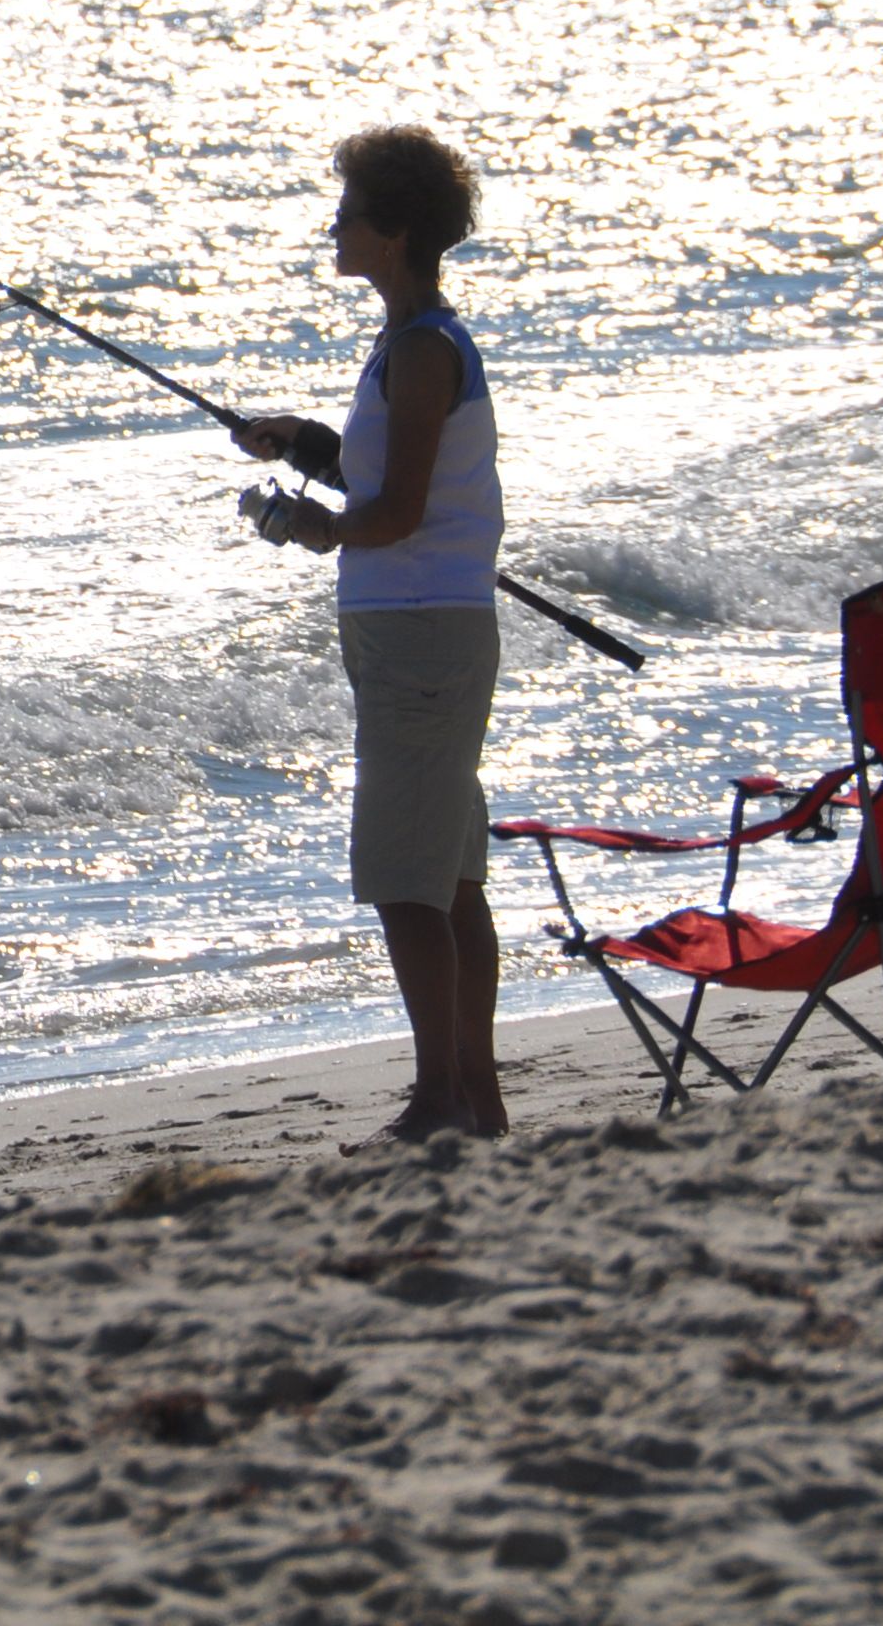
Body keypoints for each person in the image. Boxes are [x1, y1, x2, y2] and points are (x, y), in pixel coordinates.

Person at [234, 126, 507, 1140]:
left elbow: (393, 516)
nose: (333, 226)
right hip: (424, 628)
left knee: (406, 881)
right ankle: (472, 1095)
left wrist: (315, 526)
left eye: (348, 212)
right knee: (448, 873)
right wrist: (308, 444)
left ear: (391, 232)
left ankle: (441, 1097)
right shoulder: (412, 345)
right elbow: (393, 481)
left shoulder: (425, 351)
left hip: (421, 634)